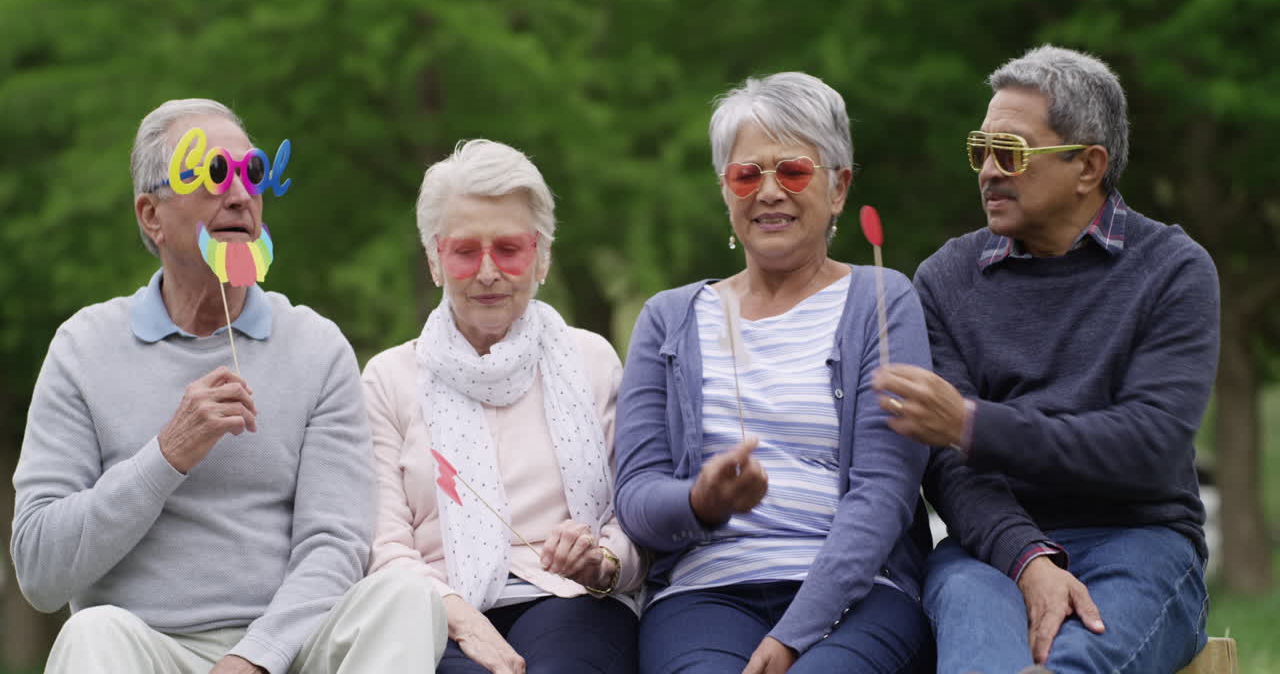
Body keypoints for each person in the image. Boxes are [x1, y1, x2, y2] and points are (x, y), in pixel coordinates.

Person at [11, 98, 446, 674]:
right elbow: (40, 572)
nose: (240, 194)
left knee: (407, 598)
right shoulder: (82, 348)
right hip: (147, 649)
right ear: (151, 215)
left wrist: (256, 658)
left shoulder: (317, 347)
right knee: (92, 632)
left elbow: (333, 547)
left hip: (290, 649)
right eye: (215, 174)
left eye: (254, 173)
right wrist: (166, 455)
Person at [874, 45, 1218, 673]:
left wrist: (973, 425)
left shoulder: (1173, 271)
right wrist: (1029, 559)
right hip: (989, 552)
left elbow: (1147, 447)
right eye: (981, 150)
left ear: (1088, 166)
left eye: (1012, 152)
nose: (987, 171)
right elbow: (951, 472)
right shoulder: (945, 278)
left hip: (1139, 543)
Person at [614, 72, 936, 674]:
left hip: (858, 593)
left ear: (838, 188)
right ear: (724, 190)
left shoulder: (882, 299)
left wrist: (794, 635)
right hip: (704, 594)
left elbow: (883, 493)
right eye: (746, 174)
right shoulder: (668, 319)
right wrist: (700, 500)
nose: (768, 192)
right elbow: (635, 496)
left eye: (792, 171)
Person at [363, 139, 644, 674]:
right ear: (434, 260)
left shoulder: (592, 360)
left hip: (570, 600)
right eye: (466, 251)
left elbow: (630, 515)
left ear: (542, 257)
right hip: (433, 608)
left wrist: (602, 563)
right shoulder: (387, 379)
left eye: (509, 249)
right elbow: (384, 544)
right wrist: (461, 619)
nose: (488, 271)